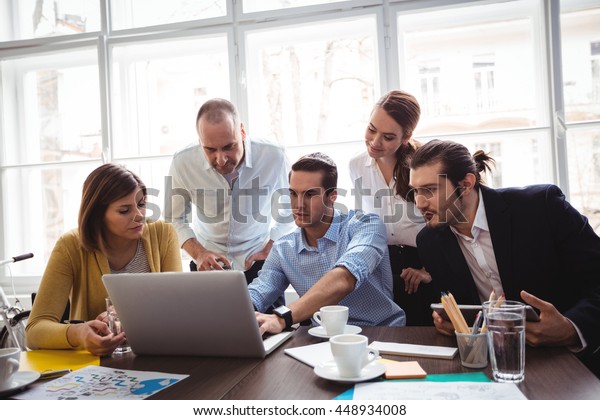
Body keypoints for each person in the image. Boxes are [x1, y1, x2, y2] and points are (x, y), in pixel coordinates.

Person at [408, 139, 600, 376]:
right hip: (491, 366)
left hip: (573, 360)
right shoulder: (430, 242)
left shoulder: (542, 207)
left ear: (466, 184)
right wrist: (456, 324)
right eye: (415, 191)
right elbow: (469, 315)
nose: (419, 203)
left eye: (430, 190)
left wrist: (572, 328)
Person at [26, 163, 182, 356]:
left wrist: (128, 309)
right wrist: (80, 333)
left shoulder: (163, 234)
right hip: (98, 366)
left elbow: (175, 304)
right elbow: (34, 330)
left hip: (158, 354)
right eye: (124, 210)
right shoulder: (70, 246)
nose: (139, 216)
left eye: (142, 204)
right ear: (98, 214)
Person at [249, 152, 406, 335]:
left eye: (310, 195)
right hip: (320, 340)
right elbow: (260, 290)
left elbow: (344, 279)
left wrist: (282, 318)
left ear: (332, 196)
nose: (298, 205)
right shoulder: (283, 249)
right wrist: (238, 310)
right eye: (293, 194)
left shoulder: (366, 225)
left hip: (380, 334)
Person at [165, 98, 293, 287]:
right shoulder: (182, 162)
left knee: (270, 317)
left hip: (261, 261)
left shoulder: (274, 156)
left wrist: (271, 247)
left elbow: (290, 210)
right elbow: (174, 218)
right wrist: (199, 253)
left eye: (228, 147)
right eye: (210, 149)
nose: (221, 159)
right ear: (200, 141)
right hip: (206, 263)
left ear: (242, 131)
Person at [349, 90, 432, 326]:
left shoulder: (423, 165)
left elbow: (446, 225)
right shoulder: (356, 166)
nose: (375, 142)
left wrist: (428, 270)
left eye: (388, 137)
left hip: (423, 265)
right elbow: (366, 221)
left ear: (406, 137)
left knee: (421, 337)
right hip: (382, 266)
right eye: (371, 129)